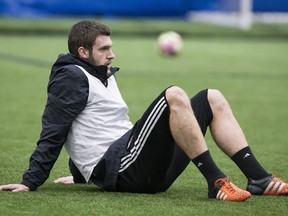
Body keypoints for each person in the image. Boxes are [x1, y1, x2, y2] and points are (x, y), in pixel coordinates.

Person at [0, 20, 287, 202]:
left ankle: (259, 179)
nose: (112, 54)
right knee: (173, 94)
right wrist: (30, 181)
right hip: (124, 170)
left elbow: (91, 125)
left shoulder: (102, 73)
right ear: (82, 52)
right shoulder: (71, 78)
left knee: (212, 97)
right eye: (104, 49)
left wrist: (80, 174)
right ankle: (216, 182)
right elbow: (55, 128)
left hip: (139, 167)